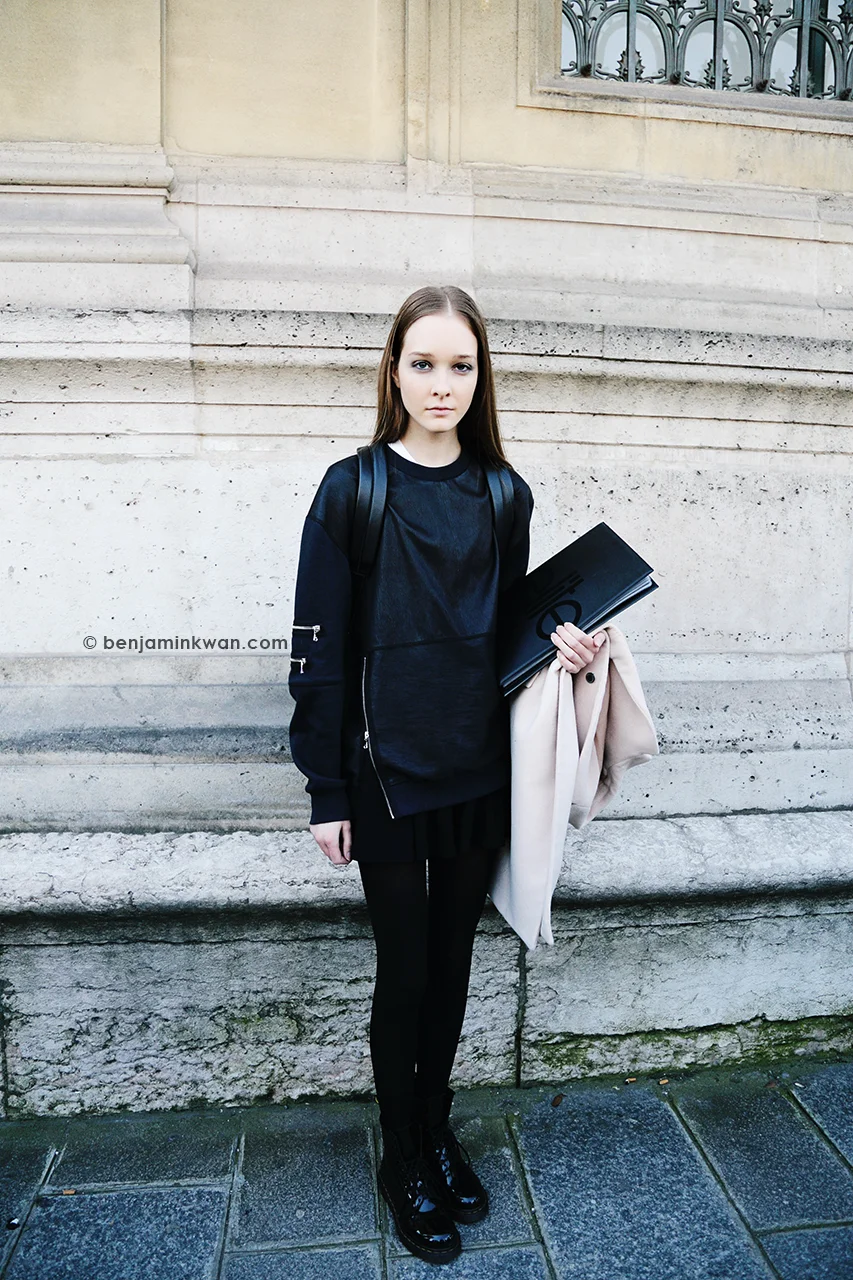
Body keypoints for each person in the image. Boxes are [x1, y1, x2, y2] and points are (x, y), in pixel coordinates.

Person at [288, 284, 604, 1265]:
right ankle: (402, 1157)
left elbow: (509, 619)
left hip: (478, 768)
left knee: (456, 965)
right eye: (422, 362)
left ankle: (435, 1128)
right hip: (386, 772)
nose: (441, 383)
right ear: (393, 370)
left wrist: (564, 640)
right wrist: (325, 789)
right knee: (407, 967)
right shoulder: (353, 489)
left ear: (481, 375)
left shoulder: (505, 493)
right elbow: (318, 646)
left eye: (459, 364)